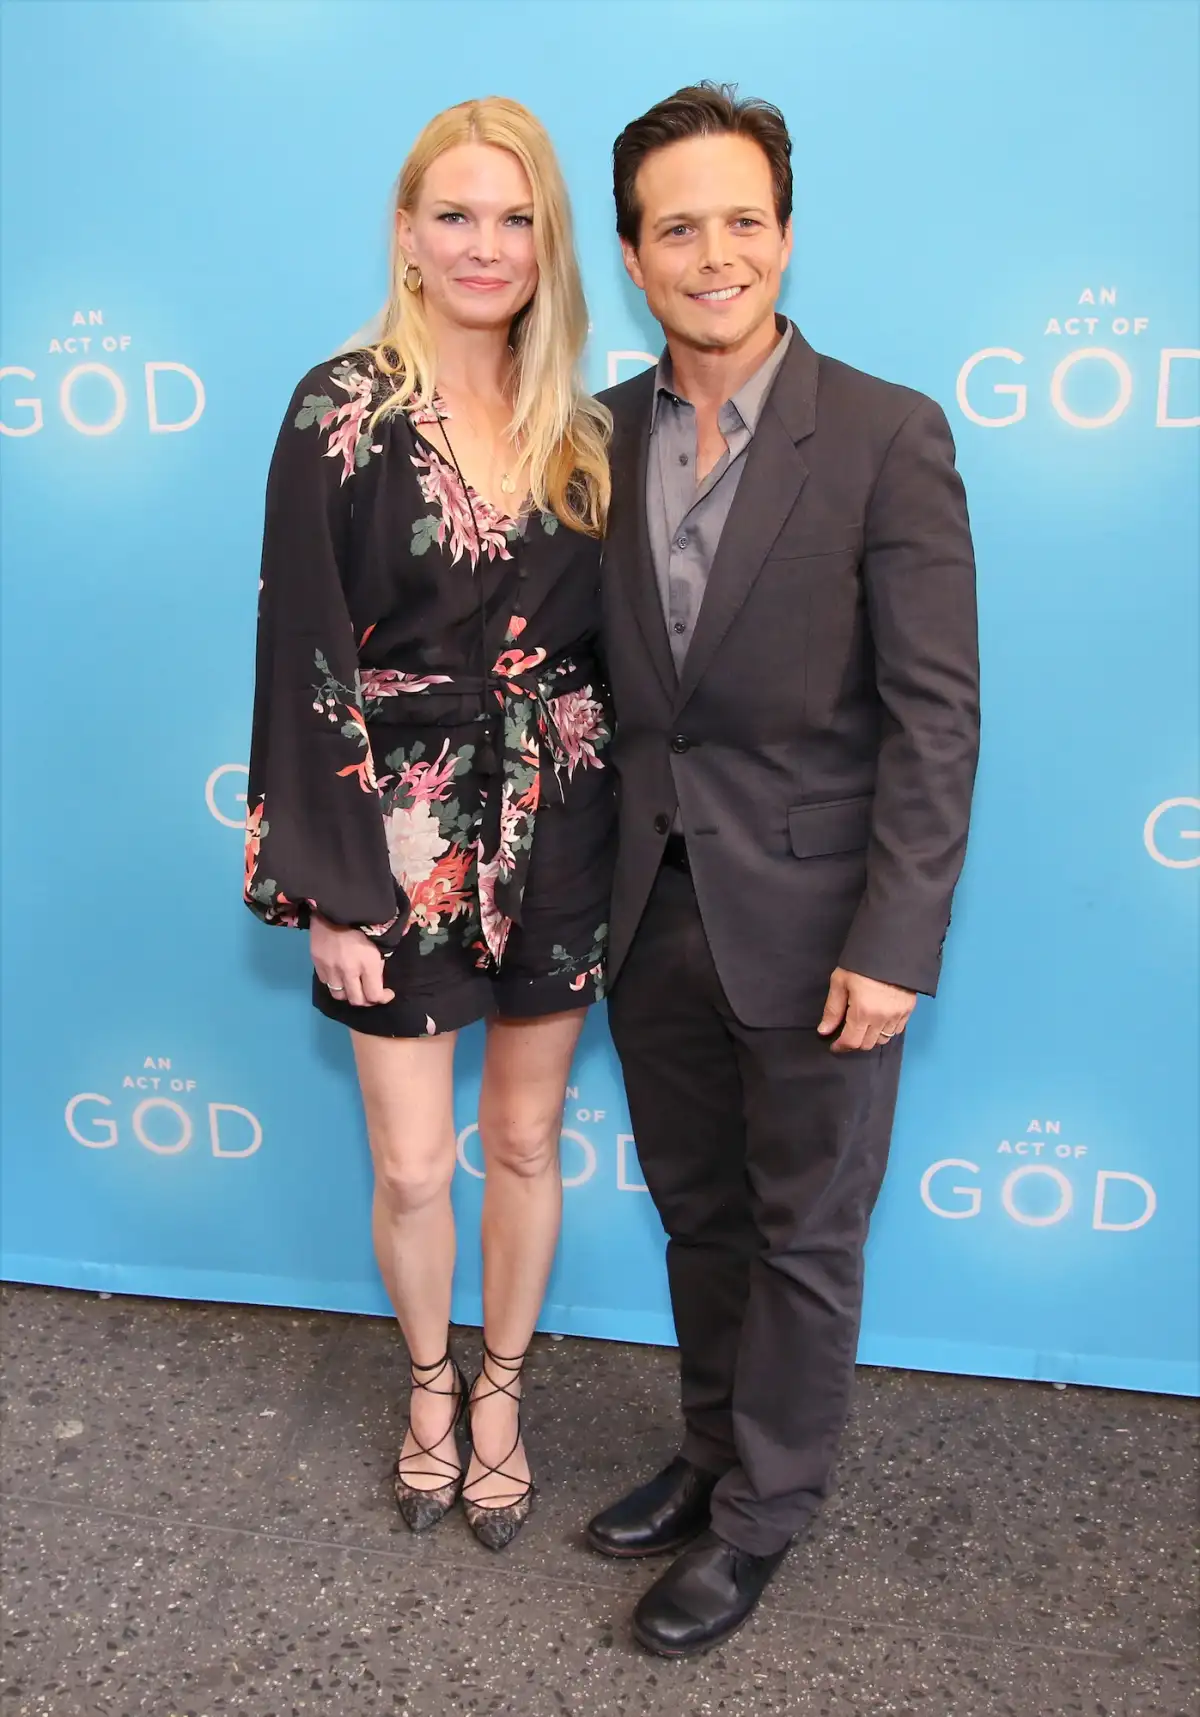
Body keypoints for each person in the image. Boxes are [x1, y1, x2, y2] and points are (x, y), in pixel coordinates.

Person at [588, 84, 980, 1654]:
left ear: (788, 235)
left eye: (743, 220)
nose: (716, 254)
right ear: (633, 257)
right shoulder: (596, 436)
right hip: (647, 910)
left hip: (822, 927)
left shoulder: (888, 433)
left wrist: (896, 941)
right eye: (678, 228)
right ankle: (709, 1453)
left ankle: (763, 1517)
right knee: (699, 1216)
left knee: (804, 1237)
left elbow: (935, 716)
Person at [244, 97, 613, 1552]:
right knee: (411, 1163)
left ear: (549, 244)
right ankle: (425, 1389)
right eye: (455, 215)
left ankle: (502, 1394)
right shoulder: (339, 410)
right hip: (391, 838)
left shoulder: (588, 427)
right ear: (406, 232)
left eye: (516, 219)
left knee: (523, 1141)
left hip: (562, 820)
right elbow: (302, 652)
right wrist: (330, 889)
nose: (484, 245)